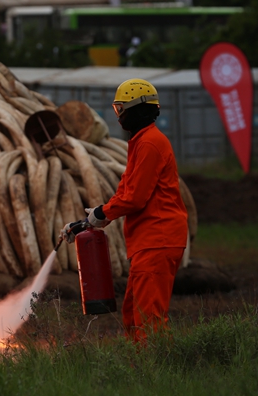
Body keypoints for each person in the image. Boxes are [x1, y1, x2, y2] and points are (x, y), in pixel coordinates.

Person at [84, 79, 187, 343]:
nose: (119, 117)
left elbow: (135, 198)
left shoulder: (150, 143)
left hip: (158, 239)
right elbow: (126, 190)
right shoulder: (141, 143)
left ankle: (155, 373)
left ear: (136, 110)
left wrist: (103, 213)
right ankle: (139, 369)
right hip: (149, 241)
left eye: (121, 109)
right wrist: (97, 217)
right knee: (132, 312)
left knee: (148, 318)